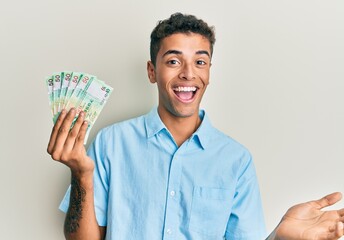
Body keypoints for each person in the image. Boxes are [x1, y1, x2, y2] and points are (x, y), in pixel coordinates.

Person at [47, 13, 344, 240]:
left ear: (210, 72)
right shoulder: (111, 143)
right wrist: (81, 174)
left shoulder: (236, 160)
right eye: (174, 61)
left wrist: (280, 237)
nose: (188, 74)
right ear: (152, 71)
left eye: (200, 62)